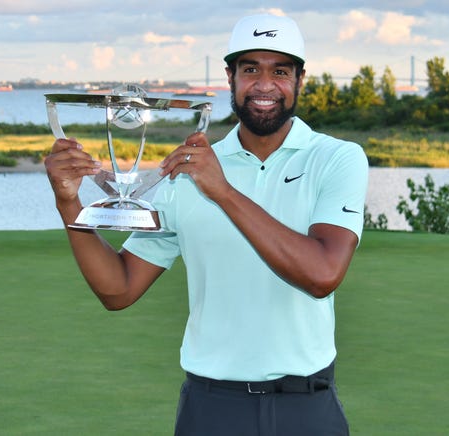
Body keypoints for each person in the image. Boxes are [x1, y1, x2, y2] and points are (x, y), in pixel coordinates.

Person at [45, 13, 368, 436]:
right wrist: (68, 202)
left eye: (280, 71)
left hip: (307, 408)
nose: (265, 84)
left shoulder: (336, 158)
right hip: (212, 407)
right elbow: (118, 290)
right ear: (230, 77)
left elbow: (323, 274)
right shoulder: (188, 173)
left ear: (300, 80)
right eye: (250, 69)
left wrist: (225, 192)